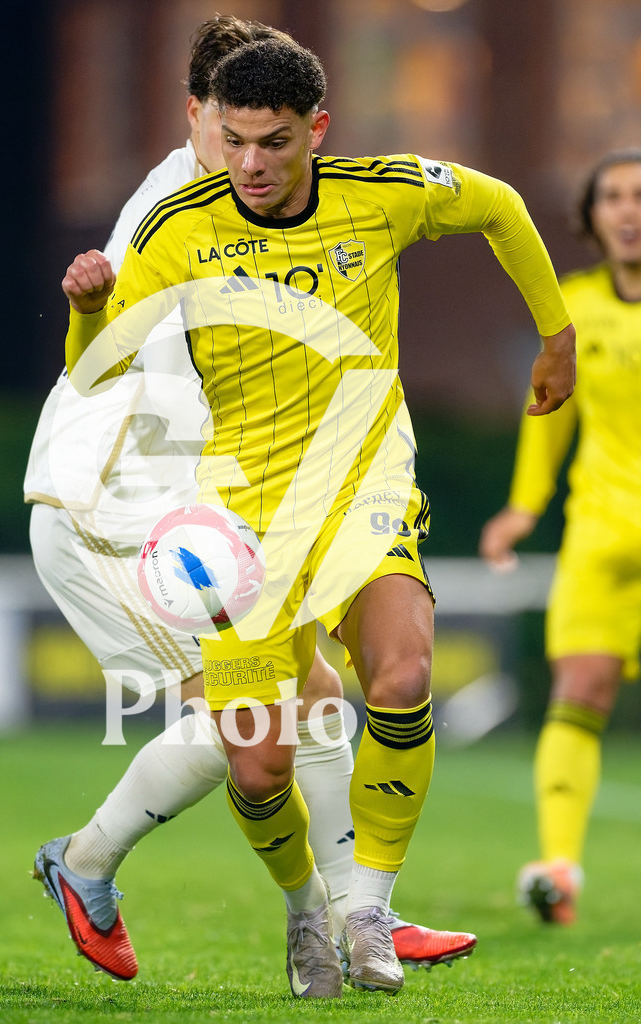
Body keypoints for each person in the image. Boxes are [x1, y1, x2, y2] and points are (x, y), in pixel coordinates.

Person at [62, 37, 575, 998]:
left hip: (364, 493)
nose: (251, 164)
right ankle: (308, 915)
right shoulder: (177, 228)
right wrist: (91, 309)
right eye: (234, 140)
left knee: (403, 668)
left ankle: (369, 910)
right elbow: (98, 367)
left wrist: (556, 332)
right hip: (239, 527)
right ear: (211, 129)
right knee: (257, 769)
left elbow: (501, 205)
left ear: (317, 132)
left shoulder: (379, 194)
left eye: (274, 142)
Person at [479, 148, 641, 926]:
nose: (627, 209)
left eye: (639, 195)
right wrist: (521, 506)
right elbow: (547, 412)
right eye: (611, 196)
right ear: (591, 217)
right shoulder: (570, 310)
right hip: (601, 538)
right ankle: (558, 870)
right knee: (578, 693)